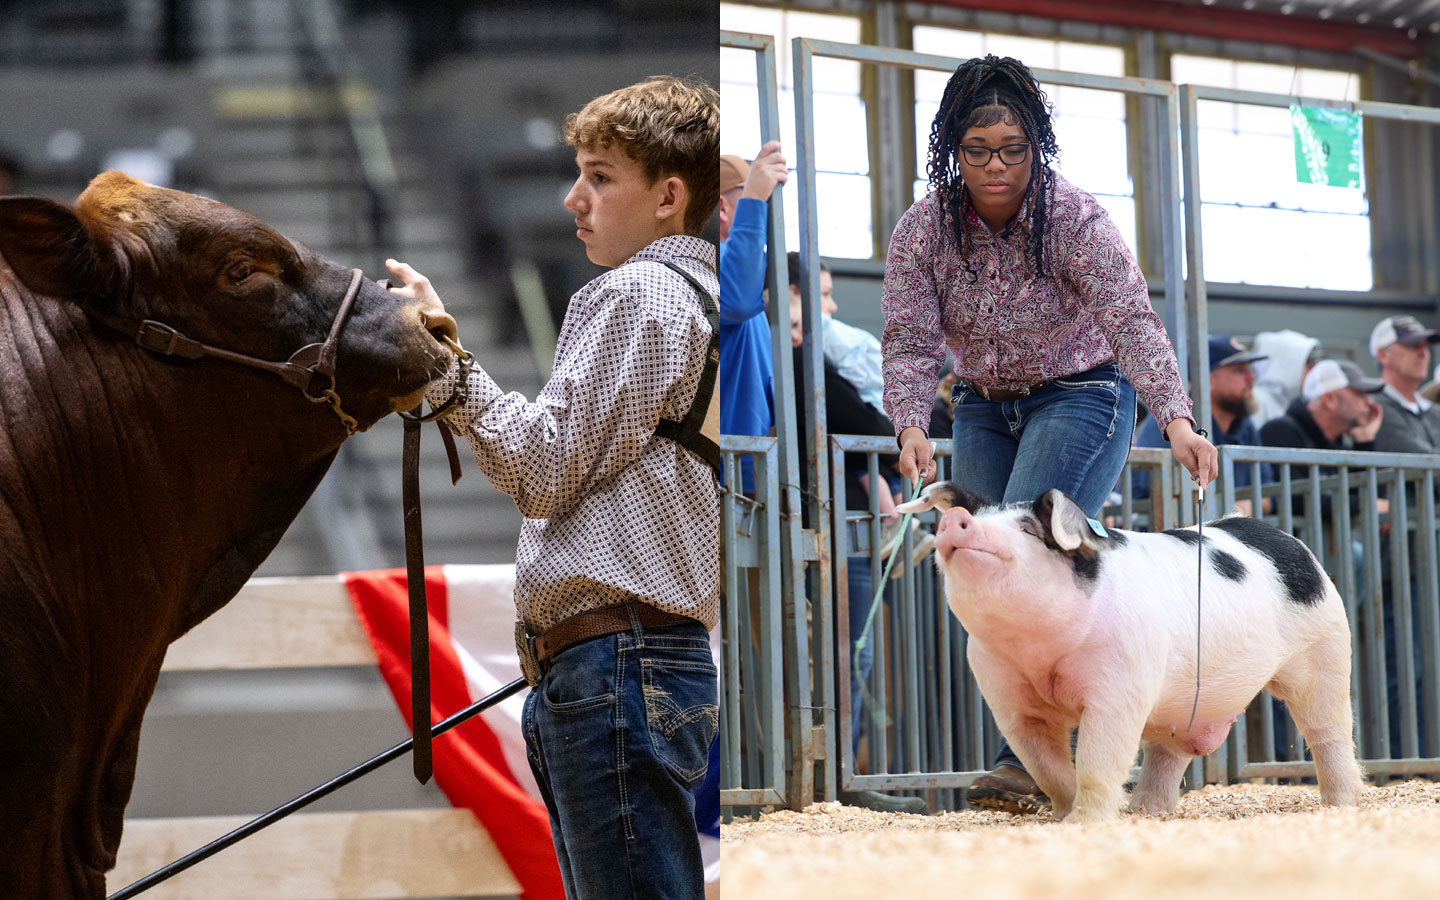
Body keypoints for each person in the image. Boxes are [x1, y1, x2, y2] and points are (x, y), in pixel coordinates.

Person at [386, 75, 719, 899]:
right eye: (580, 172)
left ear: (669, 196)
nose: (574, 198)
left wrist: (446, 373)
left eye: (601, 176)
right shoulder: (709, 296)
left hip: (618, 660)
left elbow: (544, 468)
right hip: (648, 656)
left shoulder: (639, 292)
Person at [880, 54, 1217, 815]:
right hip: (980, 401)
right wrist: (909, 422)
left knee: (1034, 536)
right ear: (950, 150)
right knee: (976, 557)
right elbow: (907, 339)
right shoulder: (923, 229)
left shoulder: (1073, 217)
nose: (996, 166)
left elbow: (1132, 319)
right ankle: (1033, 745)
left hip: (1083, 391)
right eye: (978, 151)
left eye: (1013, 149)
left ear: (1038, 147)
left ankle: (1021, 761)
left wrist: (1177, 419)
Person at [787, 286, 928, 815]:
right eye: (820, 296)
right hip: (831, 520)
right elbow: (865, 426)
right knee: (847, 650)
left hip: (837, 516)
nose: (831, 308)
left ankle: (840, 776)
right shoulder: (801, 359)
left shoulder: (805, 354)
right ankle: (836, 779)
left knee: (846, 651)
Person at [1132, 335, 1274, 512]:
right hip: (1166, 536)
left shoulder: (1245, 425)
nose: (1251, 377)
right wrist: (1231, 510)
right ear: (1208, 380)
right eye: (1239, 370)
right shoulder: (1175, 422)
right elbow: (1156, 496)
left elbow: (1268, 496)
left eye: (1249, 369)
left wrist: (1238, 508)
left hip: (1219, 536)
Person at [718, 144, 787, 493]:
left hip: (751, 463)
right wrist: (755, 200)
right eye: (746, 202)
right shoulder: (714, 259)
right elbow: (737, 300)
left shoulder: (741, 266)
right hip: (729, 468)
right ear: (723, 208)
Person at [1369, 315, 1440, 456]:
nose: (1423, 353)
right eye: (1412, 345)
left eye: (1425, 346)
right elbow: (1420, 460)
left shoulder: (1433, 411)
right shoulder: (1374, 408)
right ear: (1383, 354)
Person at [1250, 328, 1320, 429]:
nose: (1313, 370)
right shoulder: (1259, 401)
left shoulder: (1290, 403)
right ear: (1288, 364)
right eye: (1308, 363)